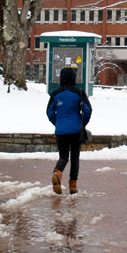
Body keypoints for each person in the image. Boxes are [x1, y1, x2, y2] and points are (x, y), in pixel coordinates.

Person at [46, 66, 93, 195]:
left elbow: (49, 111)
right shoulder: (79, 92)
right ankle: (73, 186)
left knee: (64, 156)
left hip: (60, 131)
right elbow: (88, 110)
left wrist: (58, 122)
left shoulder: (55, 93)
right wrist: (82, 123)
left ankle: (57, 172)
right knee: (75, 158)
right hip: (76, 130)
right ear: (73, 78)